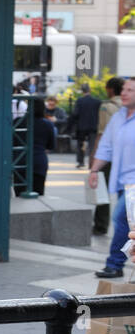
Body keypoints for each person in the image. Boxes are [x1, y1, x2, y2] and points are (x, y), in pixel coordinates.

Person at [89, 77, 135, 279]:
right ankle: (117, 263)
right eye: (124, 89)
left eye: (130, 90)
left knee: (120, 218)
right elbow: (106, 146)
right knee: (128, 224)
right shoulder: (119, 117)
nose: (124, 93)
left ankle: (115, 263)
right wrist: (94, 171)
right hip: (122, 182)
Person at [94, 76, 125, 236]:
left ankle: (101, 225)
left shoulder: (107, 107)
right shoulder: (128, 106)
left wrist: (94, 159)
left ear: (110, 89)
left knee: (102, 189)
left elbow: (102, 134)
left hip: (110, 155)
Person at [67, 82, 101, 170]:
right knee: (92, 146)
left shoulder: (80, 101)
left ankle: (80, 162)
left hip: (81, 126)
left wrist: (70, 126)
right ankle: (92, 162)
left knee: (80, 145)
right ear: (90, 90)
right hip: (93, 126)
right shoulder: (97, 102)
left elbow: (75, 114)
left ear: (82, 91)